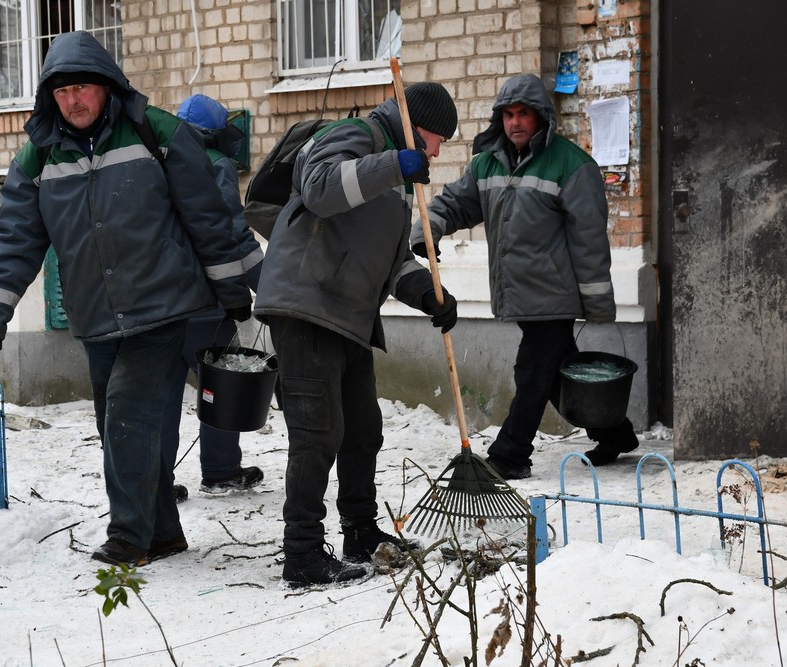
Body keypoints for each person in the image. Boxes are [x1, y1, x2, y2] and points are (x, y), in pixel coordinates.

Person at [0, 31, 252, 567]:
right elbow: (14, 238)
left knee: (128, 416)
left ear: (107, 88)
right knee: (121, 427)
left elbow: (207, 217)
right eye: (61, 92)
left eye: (82, 88)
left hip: (164, 306)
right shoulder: (39, 156)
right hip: (97, 316)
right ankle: (164, 532)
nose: (72, 101)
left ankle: (128, 537)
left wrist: (233, 290)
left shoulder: (156, 132)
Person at [254, 82, 460, 587]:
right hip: (306, 307)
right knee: (316, 433)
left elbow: (393, 262)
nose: (435, 152)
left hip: (349, 316)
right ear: (414, 125)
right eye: (435, 139)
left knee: (363, 429)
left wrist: (428, 293)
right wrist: (395, 164)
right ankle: (301, 553)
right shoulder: (354, 135)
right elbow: (320, 189)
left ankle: (361, 532)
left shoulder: (397, 181)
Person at [411, 73, 638, 481]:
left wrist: (599, 303)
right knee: (556, 372)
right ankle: (615, 433)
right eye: (509, 114)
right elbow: (456, 204)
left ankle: (510, 454)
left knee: (533, 372)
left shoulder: (572, 166)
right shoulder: (486, 163)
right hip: (517, 291)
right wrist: (426, 230)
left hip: (554, 293)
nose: (516, 122)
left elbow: (589, 241)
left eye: (524, 114)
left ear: (542, 119)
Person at [162, 93, 264, 500]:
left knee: (163, 398)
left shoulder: (158, 161)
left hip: (161, 304)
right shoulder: (215, 164)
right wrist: (266, 285)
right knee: (221, 387)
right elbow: (229, 232)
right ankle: (221, 471)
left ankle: (158, 483)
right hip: (207, 305)